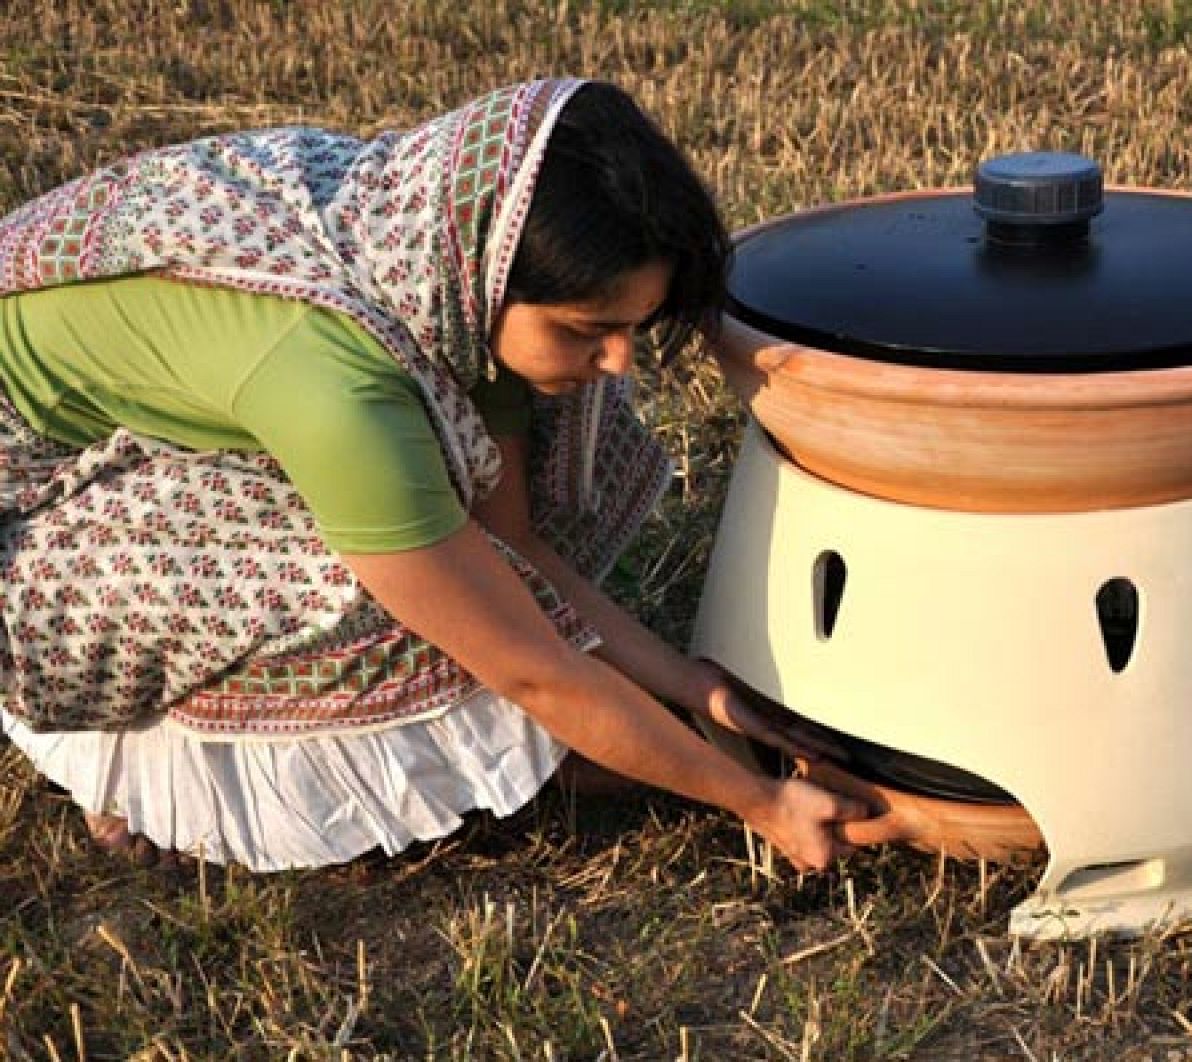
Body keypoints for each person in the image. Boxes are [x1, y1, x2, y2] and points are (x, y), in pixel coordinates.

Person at [0, 78, 868, 873]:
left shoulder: (440, 258)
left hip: (168, 415)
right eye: (587, 329)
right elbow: (531, 668)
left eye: (634, 328)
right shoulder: (341, 392)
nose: (617, 362)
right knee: (365, 582)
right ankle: (157, 781)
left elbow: (513, 544)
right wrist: (759, 804)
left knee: (460, 537)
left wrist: (691, 683)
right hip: (26, 525)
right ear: (494, 277)